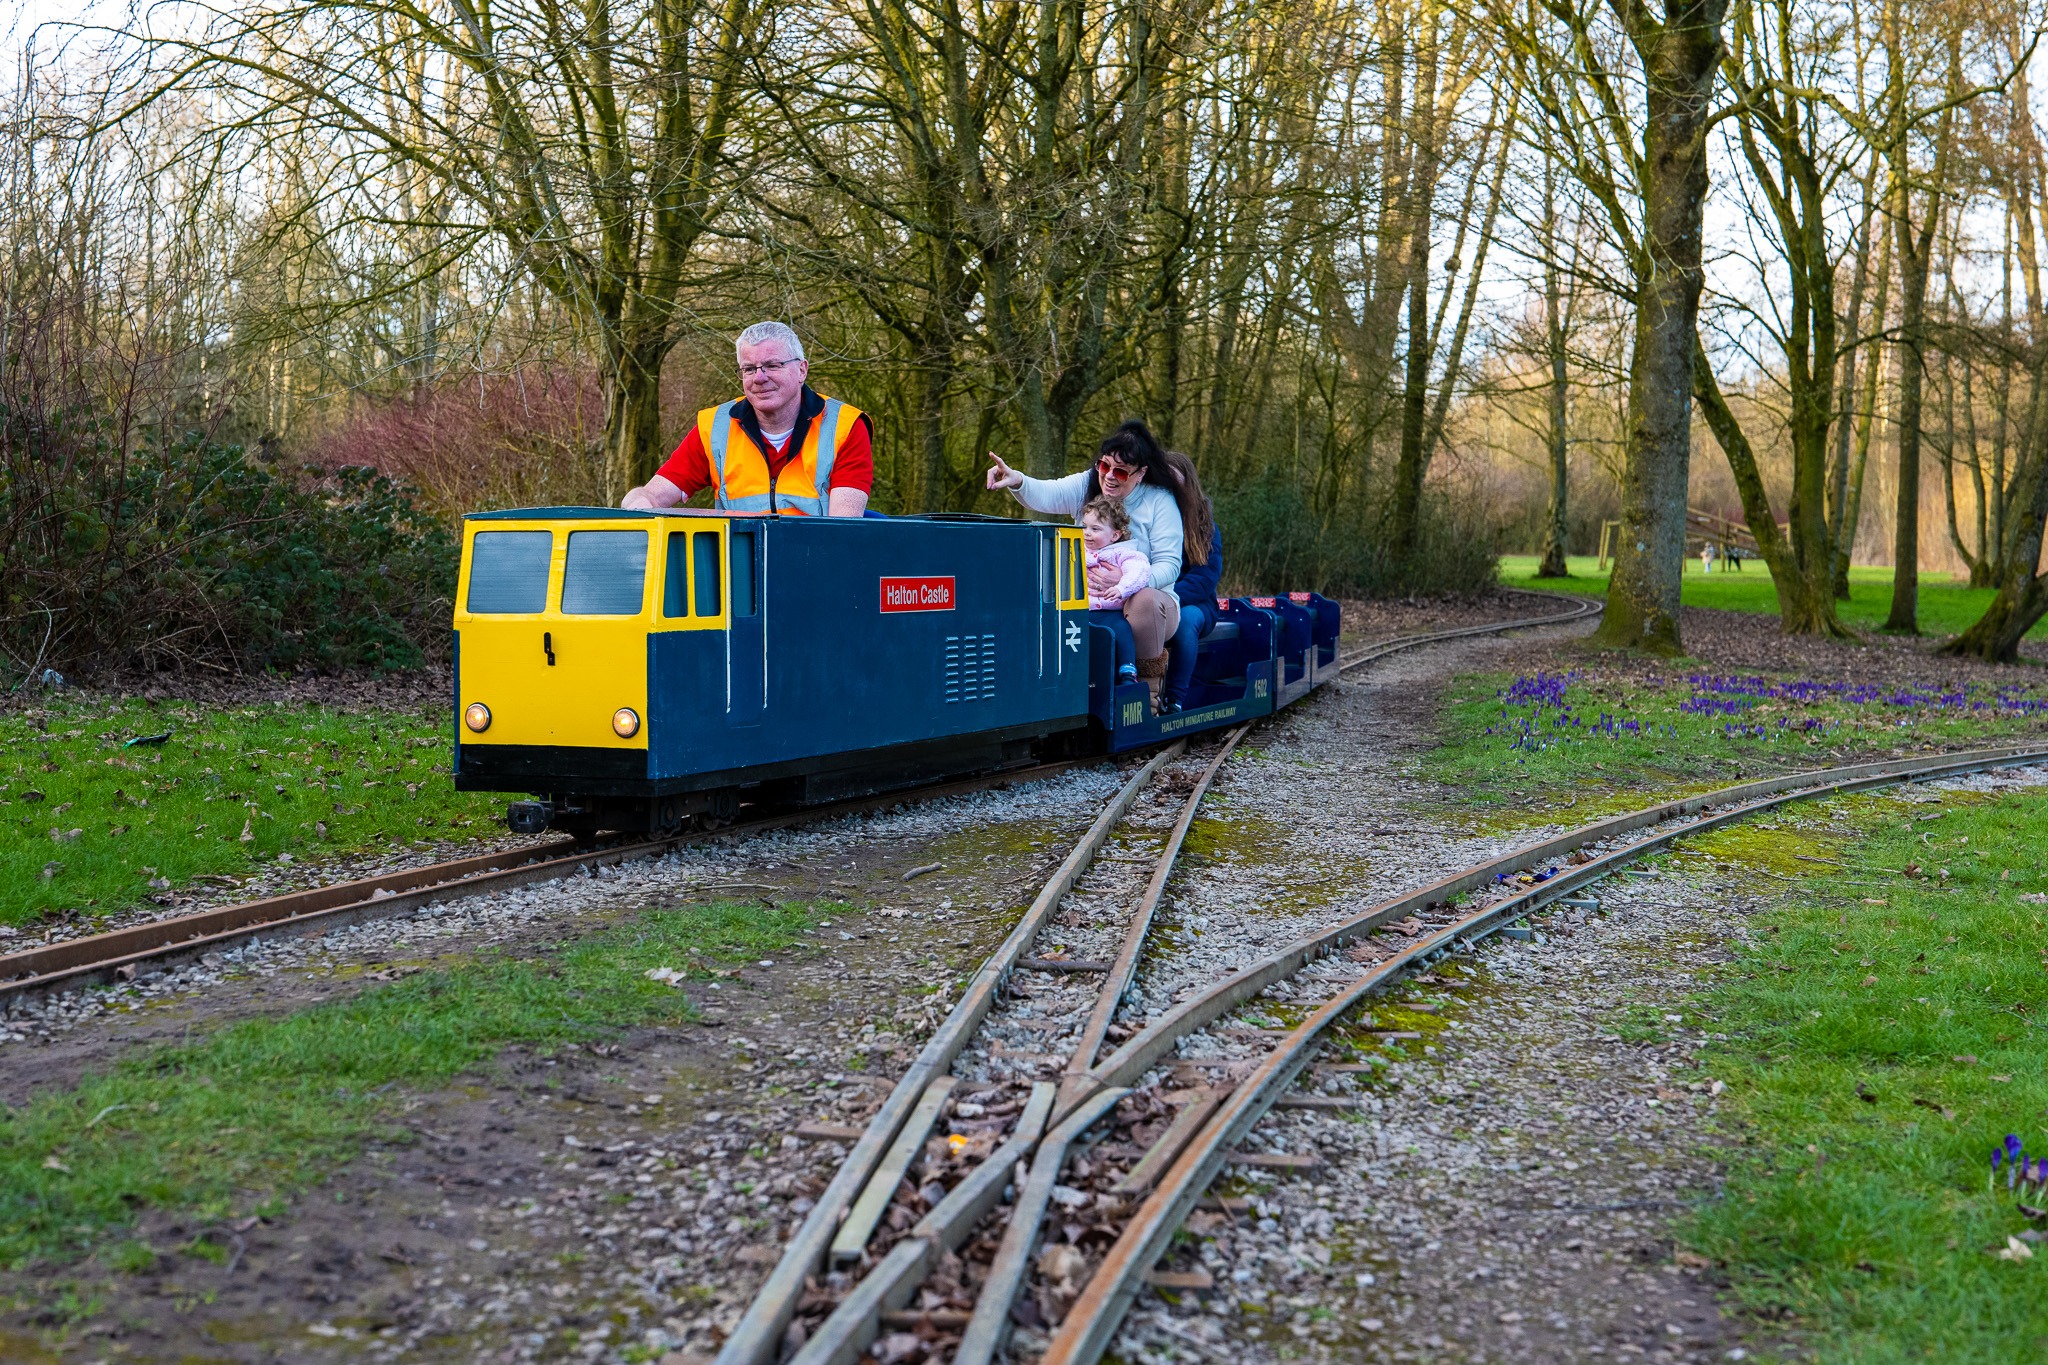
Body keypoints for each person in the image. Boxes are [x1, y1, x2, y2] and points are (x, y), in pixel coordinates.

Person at [986, 421, 1201, 713]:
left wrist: (1128, 581)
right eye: (1104, 466)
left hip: (1151, 608)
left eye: (1121, 471)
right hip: (1093, 600)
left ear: (1140, 473)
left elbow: (1170, 565)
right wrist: (1017, 480)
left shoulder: (1159, 501)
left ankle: (1147, 699)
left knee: (1145, 600)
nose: (1109, 476)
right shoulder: (1088, 484)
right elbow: (1048, 492)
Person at [620, 322, 872, 516]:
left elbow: (843, 528)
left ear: (802, 370)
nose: (759, 378)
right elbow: (651, 495)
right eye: (749, 369)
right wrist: (638, 504)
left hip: (814, 561)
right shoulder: (715, 428)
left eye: (772, 365)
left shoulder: (845, 426)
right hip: (737, 564)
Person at [1159, 450, 1221, 714]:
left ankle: (1174, 699)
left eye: (1173, 478)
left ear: (1187, 481)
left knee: (1185, 622)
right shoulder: (1151, 515)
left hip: (1195, 603)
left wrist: (1168, 598)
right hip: (1153, 597)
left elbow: (1204, 579)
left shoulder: (1204, 524)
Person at [1081, 496, 1151, 684]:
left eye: (1095, 529)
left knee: (1121, 629)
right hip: (1082, 610)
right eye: (1085, 527)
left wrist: (1121, 588)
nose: (1087, 533)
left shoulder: (1122, 553)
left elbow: (1139, 571)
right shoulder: (1077, 550)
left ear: (1115, 535)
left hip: (1109, 610)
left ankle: (1128, 671)